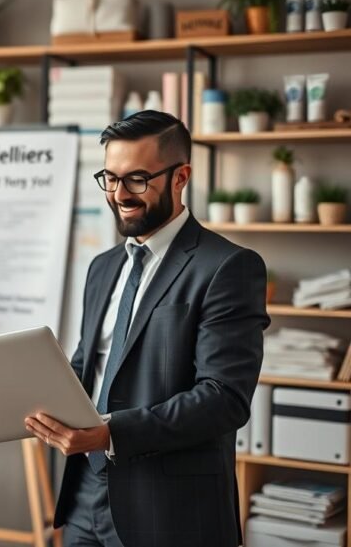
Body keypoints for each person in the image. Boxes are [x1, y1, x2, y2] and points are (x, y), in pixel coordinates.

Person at [24, 111, 270, 546]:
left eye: (137, 179)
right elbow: (89, 366)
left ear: (181, 177)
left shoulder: (228, 267)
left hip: (170, 510)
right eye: (110, 178)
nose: (120, 195)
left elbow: (224, 398)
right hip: (84, 497)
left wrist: (112, 432)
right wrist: (21, 395)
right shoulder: (102, 268)